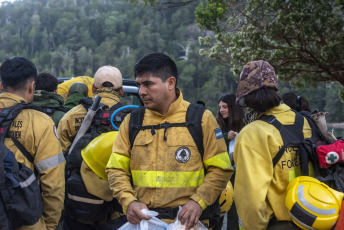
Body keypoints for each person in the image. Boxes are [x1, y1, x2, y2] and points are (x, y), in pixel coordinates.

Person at [106, 52, 233, 230]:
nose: (142, 91)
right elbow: (115, 168)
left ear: (171, 83)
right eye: (139, 85)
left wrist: (198, 202)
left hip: (188, 224)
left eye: (148, 84)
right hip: (144, 223)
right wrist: (129, 202)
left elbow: (220, 169)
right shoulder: (133, 121)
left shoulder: (200, 119)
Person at [233, 60, 313, 230]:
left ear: (246, 100)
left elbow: (251, 200)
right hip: (313, 220)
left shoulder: (251, 134)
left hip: (278, 224)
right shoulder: (304, 122)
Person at [57, 65, 127, 230]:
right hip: (116, 213)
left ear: (93, 89)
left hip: (75, 209)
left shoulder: (71, 116)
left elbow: (58, 162)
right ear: (122, 91)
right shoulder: (131, 118)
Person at [0, 57, 65, 230]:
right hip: (26, 220)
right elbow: (53, 184)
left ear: (1, 85)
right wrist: (49, 225)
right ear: (31, 87)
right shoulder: (41, 122)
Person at [214, 94, 244, 230]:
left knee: (235, 210)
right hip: (219, 174)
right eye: (220, 107)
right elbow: (211, 142)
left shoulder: (244, 125)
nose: (222, 110)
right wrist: (226, 137)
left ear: (233, 108)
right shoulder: (216, 124)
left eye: (225, 107)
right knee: (217, 211)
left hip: (239, 175)